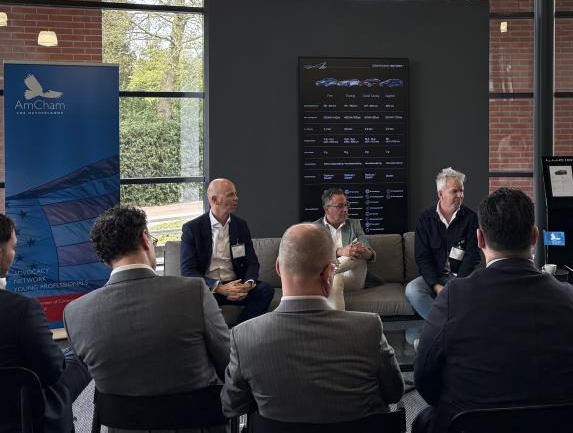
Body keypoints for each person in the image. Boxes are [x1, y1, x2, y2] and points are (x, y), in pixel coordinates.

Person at [413, 188, 573, 433]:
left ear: (479, 239)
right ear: (534, 236)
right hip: (559, 425)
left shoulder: (454, 296)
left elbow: (424, 379)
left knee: (424, 419)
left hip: (470, 425)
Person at [220, 223, 403, 423]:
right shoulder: (369, 328)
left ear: (278, 267)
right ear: (329, 273)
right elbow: (394, 393)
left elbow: (232, 406)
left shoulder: (243, 337)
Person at [64, 206, 230, 398]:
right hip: (200, 415)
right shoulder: (194, 291)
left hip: (122, 417)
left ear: (104, 258)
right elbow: (228, 362)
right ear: (145, 239)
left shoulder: (74, 313)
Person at [0, 214, 90, 433]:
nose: (14, 255)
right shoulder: (22, 308)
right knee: (81, 352)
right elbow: (52, 371)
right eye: (13, 247)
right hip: (26, 415)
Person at [181, 178, 274, 324]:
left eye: (235, 194)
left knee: (266, 289)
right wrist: (219, 288)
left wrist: (247, 285)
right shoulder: (192, 229)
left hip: (237, 284)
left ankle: (236, 330)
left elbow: (252, 262)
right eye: (231, 195)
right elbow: (188, 271)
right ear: (215, 200)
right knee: (192, 298)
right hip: (210, 288)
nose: (236, 198)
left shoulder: (240, 225)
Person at [405, 167, 481, 318]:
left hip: (461, 277)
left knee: (480, 291)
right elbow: (422, 257)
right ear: (440, 194)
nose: (460, 195)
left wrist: (456, 285)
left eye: (462, 191)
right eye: (455, 191)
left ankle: (440, 327)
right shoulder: (424, 219)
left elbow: (473, 256)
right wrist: (436, 286)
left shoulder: (471, 218)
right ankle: (445, 325)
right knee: (412, 290)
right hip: (434, 276)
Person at [314, 188, 375, 310]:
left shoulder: (354, 224)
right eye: (340, 206)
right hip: (332, 279)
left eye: (346, 205)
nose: (346, 209)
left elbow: (372, 255)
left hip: (353, 277)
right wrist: (339, 251)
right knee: (335, 279)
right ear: (327, 209)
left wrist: (364, 252)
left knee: (355, 252)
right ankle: (338, 322)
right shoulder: (315, 228)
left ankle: (328, 271)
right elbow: (314, 256)